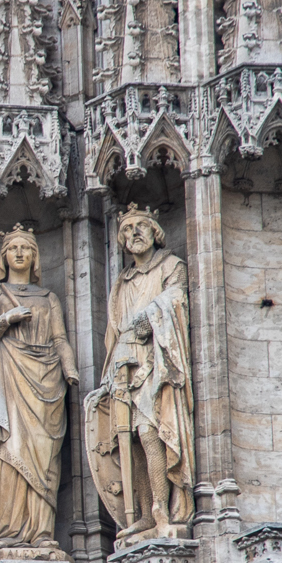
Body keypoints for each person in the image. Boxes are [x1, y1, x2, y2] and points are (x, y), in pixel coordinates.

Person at [86, 204, 194, 542]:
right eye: (127, 228)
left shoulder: (171, 266)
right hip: (126, 364)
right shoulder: (122, 282)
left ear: (155, 233)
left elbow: (177, 299)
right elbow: (116, 333)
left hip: (157, 363)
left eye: (140, 227)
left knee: (151, 433)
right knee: (129, 440)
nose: (133, 233)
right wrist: (109, 376)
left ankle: (163, 506)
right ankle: (146, 513)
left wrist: (148, 316)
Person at [0, 225, 79, 554]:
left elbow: (59, 338)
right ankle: (7, 529)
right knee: (9, 447)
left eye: (26, 248)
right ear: (4, 256)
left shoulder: (49, 298)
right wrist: (4, 322)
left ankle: (43, 532)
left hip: (46, 381)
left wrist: (69, 366)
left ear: (35, 257)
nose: (19, 253)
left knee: (44, 458)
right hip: (8, 377)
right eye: (13, 248)